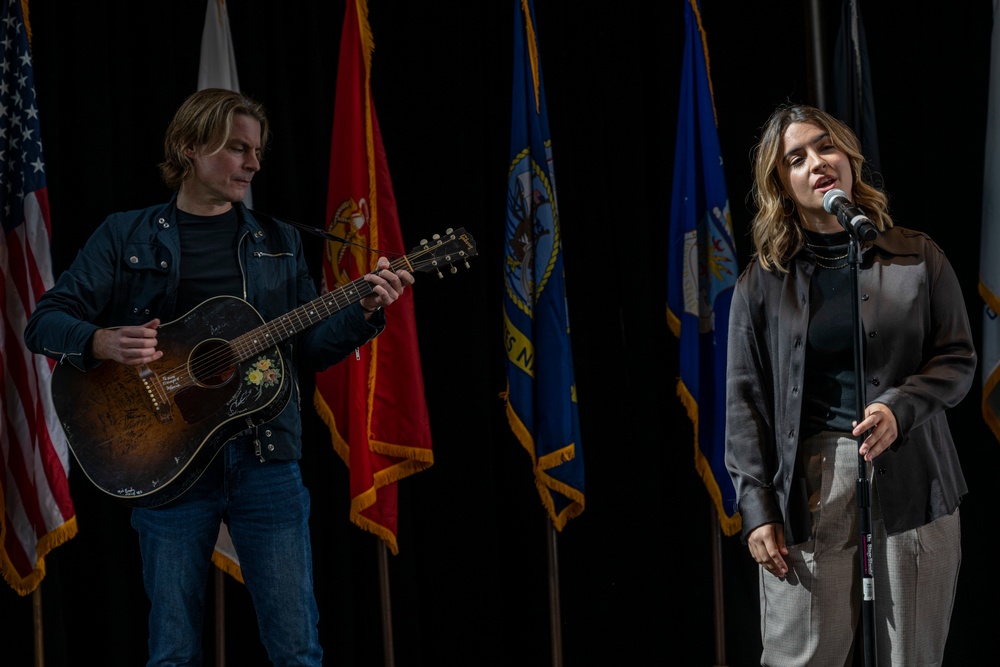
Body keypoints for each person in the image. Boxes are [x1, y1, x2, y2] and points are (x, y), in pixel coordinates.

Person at [24, 88, 413, 665]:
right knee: (173, 652)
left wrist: (364, 312)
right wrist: (101, 340)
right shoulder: (126, 235)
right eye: (236, 148)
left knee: (297, 649)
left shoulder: (278, 243)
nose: (253, 163)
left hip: (266, 462)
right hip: (165, 462)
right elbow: (43, 323)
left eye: (255, 150)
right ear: (188, 146)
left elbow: (307, 347)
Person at [725, 104, 976, 666]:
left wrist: (900, 407)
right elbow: (744, 404)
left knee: (911, 657)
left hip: (915, 478)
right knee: (801, 656)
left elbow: (957, 358)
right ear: (782, 186)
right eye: (797, 158)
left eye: (825, 147)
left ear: (849, 160)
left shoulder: (917, 255)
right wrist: (757, 507)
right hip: (813, 490)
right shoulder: (764, 282)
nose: (817, 162)